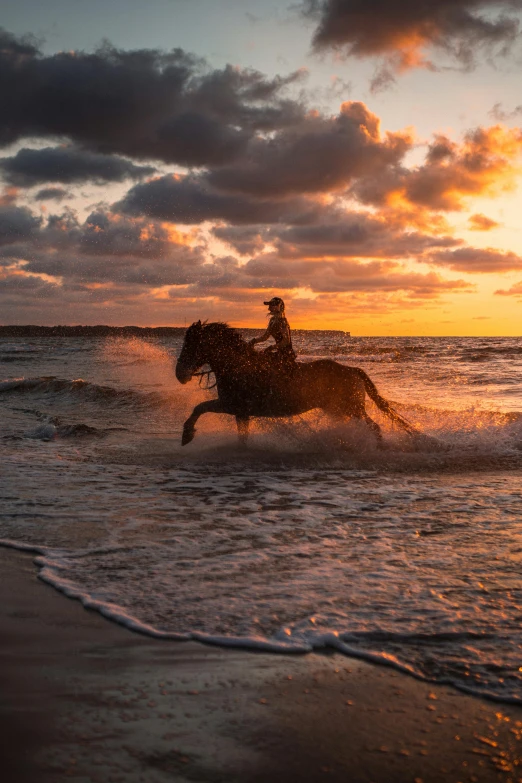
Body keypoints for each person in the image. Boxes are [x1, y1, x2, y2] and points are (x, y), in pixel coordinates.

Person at [249, 297, 296, 373]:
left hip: (286, 354)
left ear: (279, 306)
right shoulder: (272, 320)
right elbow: (265, 337)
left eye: (271, 305)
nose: (269, 308)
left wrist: (271, 347)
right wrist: (253, 341)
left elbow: (286, 341)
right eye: (269, 306)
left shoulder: (282, 321)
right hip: (279, 351)